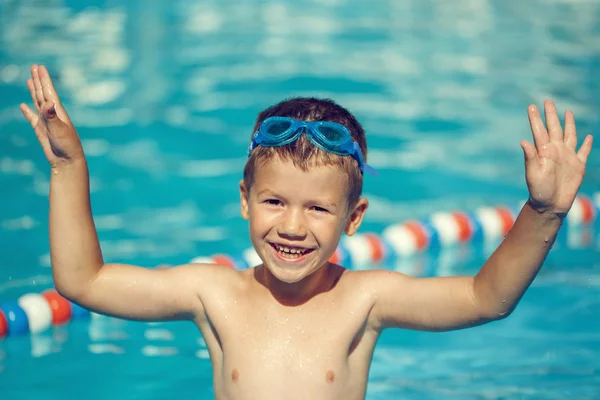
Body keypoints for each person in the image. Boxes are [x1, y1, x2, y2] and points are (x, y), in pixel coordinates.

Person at [20, 64, 593, 400]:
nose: (292, 226)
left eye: (318, 209)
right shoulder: (212, 293)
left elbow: (484, 298)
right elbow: (83, 281)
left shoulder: (365, 300)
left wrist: (542, 212)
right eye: (274, 201)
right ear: (245, 201)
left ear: (355, 218)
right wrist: (69, 168)